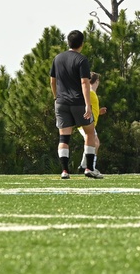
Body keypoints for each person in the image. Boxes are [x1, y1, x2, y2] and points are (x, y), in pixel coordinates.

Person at [50, 29, 102, 179]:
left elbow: (52, 81)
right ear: (82, 44)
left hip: (61, 102)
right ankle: (89, 168)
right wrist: (88, 104)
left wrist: (56, 97)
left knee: (64, 137)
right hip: (78, 102)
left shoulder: (58, 58)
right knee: (90, 133)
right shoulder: (81, 59)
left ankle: (65, 171)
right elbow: (84, 83)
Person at [76, 72, 108, 174]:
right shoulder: (90, 92)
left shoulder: (91, 93)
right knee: (95, 143)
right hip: (86, 123)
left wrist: (99, 112)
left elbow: (90, 108)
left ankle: (83, 165)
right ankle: (91, 167)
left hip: (87, 123)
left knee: (91, 142)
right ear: (96, 81)